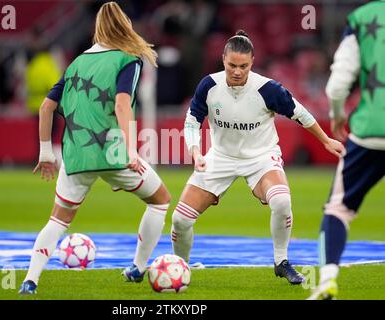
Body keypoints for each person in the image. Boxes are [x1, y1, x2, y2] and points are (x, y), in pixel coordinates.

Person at [171, 30, 345, 285]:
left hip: (261, 157)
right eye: (232, 65)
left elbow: (301, 113)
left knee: (282, 201)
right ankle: (180, 269)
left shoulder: (268, 89)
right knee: (180, 219)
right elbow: (192, 120)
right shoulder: (209, 85)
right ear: (223, 59)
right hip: (220, 157)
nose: (237, 71)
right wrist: (196, 151)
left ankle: (281, 261)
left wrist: (326, 139)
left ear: (252, 63)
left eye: (243, 66)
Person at [19, 2, 171, 294]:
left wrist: (45, 153)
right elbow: (122, 104)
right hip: (113, 153)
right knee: (160, 200)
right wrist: (131, 151)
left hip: (75, 155)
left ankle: (30, 280)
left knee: (57, 220)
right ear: (125, 26)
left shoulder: (76, 62)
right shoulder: (128, 58)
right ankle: (138, 269)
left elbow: (46, 107)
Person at [308, 2, 385, 300]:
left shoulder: (363, 17)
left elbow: (337, 86)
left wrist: (338, 115)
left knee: (338, 208)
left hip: (370, 130)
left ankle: (327, 280)